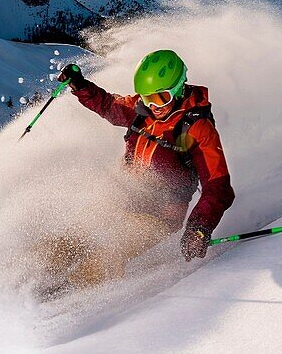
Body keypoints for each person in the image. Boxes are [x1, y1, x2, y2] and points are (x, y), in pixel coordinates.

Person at [42, 50, 234, 290]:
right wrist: (81, 86)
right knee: (70, 238)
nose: (155, 106)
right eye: (147, 98)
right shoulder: (142, 110)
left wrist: (199, 227)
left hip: (159, 216)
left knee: (111, 251)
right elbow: (109, 105)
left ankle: (66, 301)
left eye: (161, 97)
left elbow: (218, 187)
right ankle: (34, 284)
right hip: (122, 199)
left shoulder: (198, 128)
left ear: (178, 88)